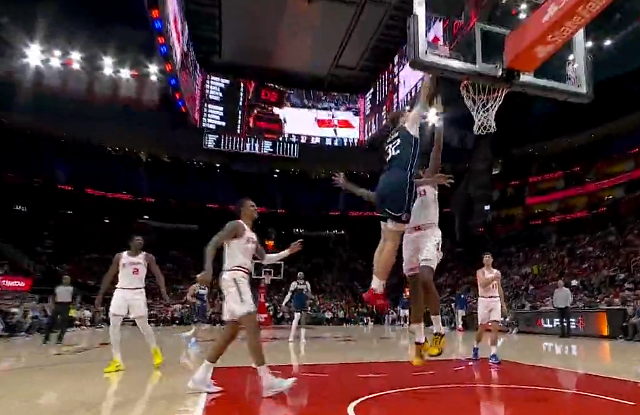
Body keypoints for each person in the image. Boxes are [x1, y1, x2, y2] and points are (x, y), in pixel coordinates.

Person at [333, 75, 440, 310]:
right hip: (400, 183)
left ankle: (375, 287)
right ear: (402, 119)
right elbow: (423, 99)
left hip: (385, 183)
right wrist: (429, 73)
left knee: (384, 239)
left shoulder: (392, 137)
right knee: (392, 240)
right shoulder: (408, 126)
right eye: (406, 113)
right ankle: (376, 291)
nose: (410, 113)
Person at [188, 198, 303, 396]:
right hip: (234, 277)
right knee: (252, 325)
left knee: (230, 332)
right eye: (251, 206)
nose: (255, 208)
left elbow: (264, 259)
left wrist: (287, 252)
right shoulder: (236, 225)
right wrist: (207, 270)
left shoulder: (252, 235)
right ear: (242, 210)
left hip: (239, 279)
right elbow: (213, 244)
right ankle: (267, 381)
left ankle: (200, 377)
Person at [401, 107, 451, 364]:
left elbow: (436, 152)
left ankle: (439, 331)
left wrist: (438, 125)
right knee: (414, 289)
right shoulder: (402, 189)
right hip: (409, 237)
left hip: (430, 232)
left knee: (425, 278)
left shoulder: (430, 180)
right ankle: (420, 341)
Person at [95, 235, 170, 373]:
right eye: (137, 240)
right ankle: (117, 361)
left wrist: (164, 292)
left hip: (137, 292)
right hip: (121, 291)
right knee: (114, 324)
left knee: (143, 324)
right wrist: (100, 294)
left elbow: (158, 275)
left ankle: (155, 351)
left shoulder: (147, 257)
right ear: (130, 243)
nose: (140, 242)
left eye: (142, 240)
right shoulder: (120, 256)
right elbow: (110, 274)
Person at [472, 253, 507, 364]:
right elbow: (483, 284)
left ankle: (493, 354)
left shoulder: (497, 272)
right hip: (484, 300)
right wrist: (493, 278)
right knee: (482, 327)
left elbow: (499, 288)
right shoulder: (480, 272)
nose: (487, 259)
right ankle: (475, 347)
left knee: (495, 327)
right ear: (483, 261)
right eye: (485, 257)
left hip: (495, 300)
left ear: (492, 260)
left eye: (489, 257)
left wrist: (503, 303)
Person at [43, 275, 76, 345]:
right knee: (51, 322)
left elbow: (76, 297)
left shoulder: (72, 288)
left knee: (64, 323)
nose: (66, 280)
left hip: (66, 306)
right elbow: (52, 296)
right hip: (57, 305)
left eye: (68, 279)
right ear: (62, 280)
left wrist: (74, 306)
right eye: (65, 279)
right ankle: (46, 338)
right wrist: (52, 304)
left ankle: (59, 339)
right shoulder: (58, 288)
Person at [182, 274, 211, 348]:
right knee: (198, 321)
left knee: (203, 321)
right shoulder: (194, 287)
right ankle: (196, 337)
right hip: (196, 306)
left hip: (203, 306)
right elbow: (188, 296)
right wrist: (194, 301)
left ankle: (193, 336)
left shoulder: (206, 288)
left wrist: (208, 306)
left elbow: (206, 298)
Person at [282, 271, 312, 343]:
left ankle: (303, 338)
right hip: (297, 302)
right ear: (297, 276)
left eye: (302, 275)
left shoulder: (307, 284)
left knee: (303, 320)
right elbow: (289, 294)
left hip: (304, 302)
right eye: (299, 275)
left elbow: (310, 294)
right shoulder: (294, 284)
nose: (301, 276)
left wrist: (309, 300)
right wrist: (284, 302)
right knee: (296, 318)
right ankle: (291, 336)